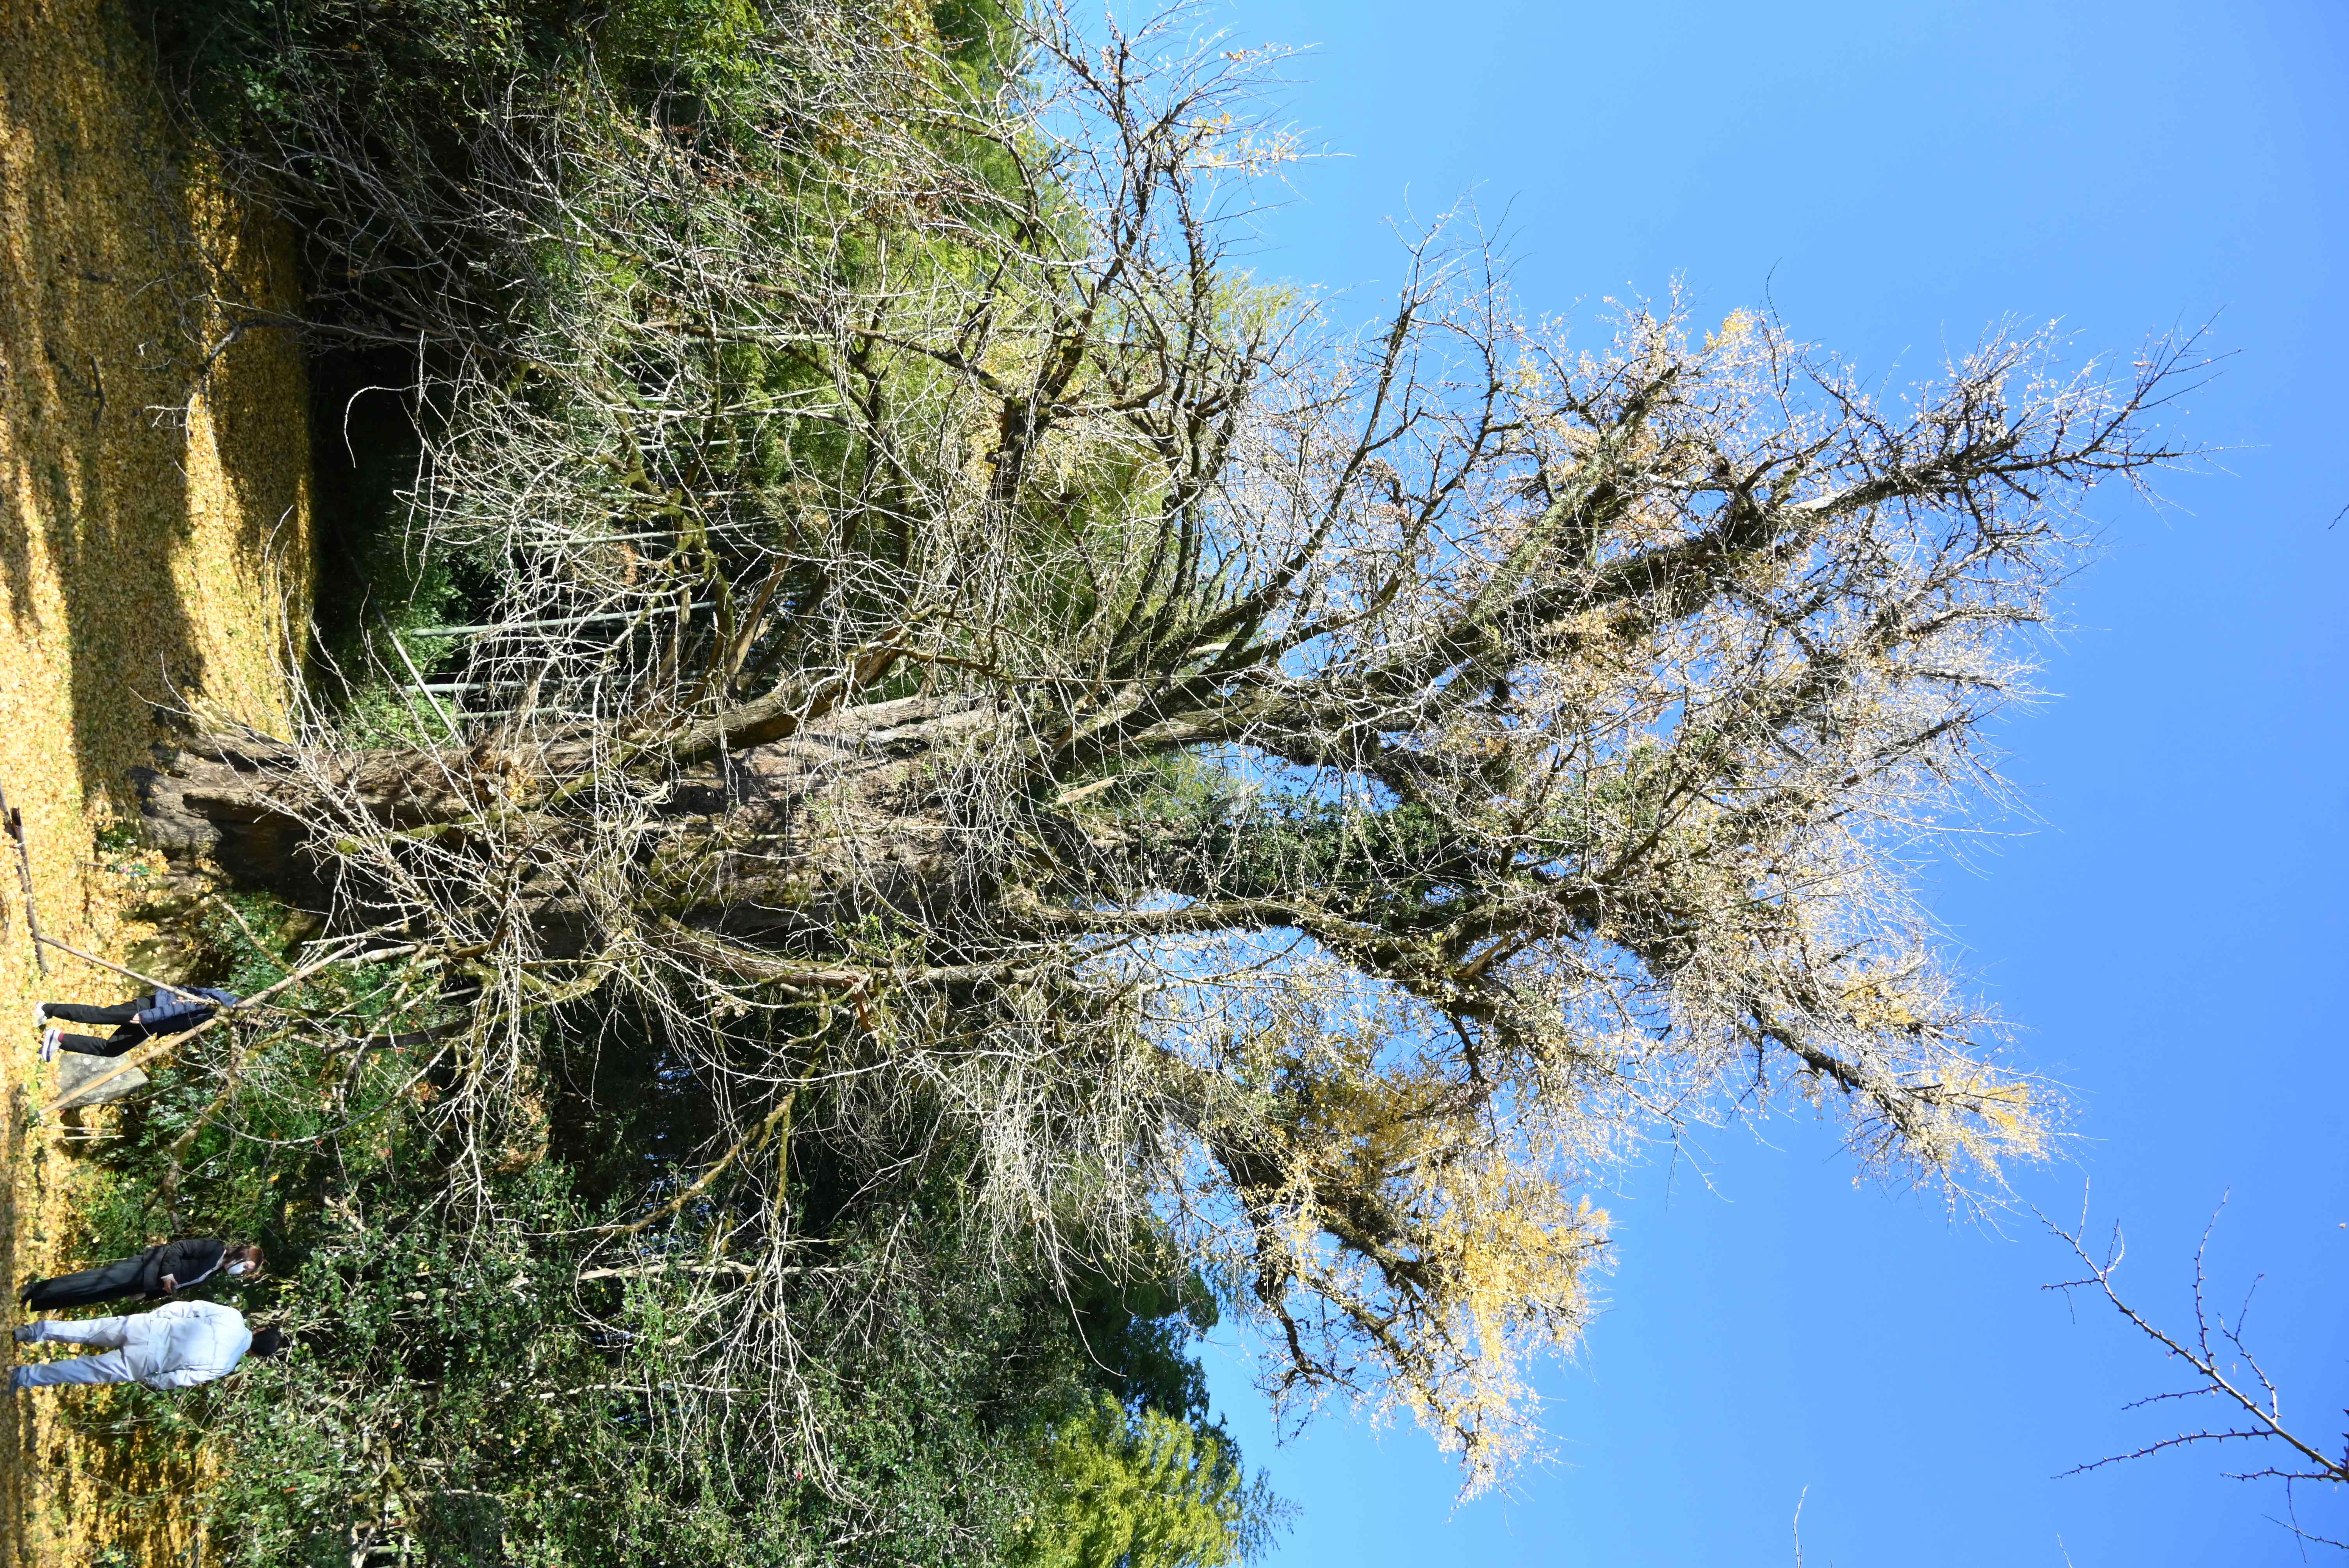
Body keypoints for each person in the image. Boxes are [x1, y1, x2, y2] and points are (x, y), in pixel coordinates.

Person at [10, 1300, 280, 1391]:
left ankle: (33, 1331)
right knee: (83, 1371)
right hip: (148, 1362)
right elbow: (183, 1378)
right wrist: (155, 1382)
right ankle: (23, 1376)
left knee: (87, 1330)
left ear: (259, 1330)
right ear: (255, 1355)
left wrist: (158, 1317)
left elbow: (189, 1308)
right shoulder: (225, 1366)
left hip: (151, 1327)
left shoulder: (232, 1317)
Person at [20, 1239, 265, 1311]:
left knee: (91, 1295)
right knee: (88, 1281)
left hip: (145, 1284)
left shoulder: (213, 1273)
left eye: (246, 1273)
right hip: (144, 1268)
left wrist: (147, 1295)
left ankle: (39, 1301)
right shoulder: (214, 1248)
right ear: (242, 1256)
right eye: (246, 1267)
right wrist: (168, 1275)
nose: (241, 1272)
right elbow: (177, 1249)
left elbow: (183, 1283)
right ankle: (34, 1289)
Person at [34, 985, 240, 1062]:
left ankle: (58, 1039)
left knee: (112, 1049)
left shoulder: (226, 1014)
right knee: (98, 1015)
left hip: (154, 1023)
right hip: (150, 1010)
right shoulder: (223, 1003)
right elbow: (184, 1006)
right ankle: (45, 1009)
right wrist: (148, 1017)